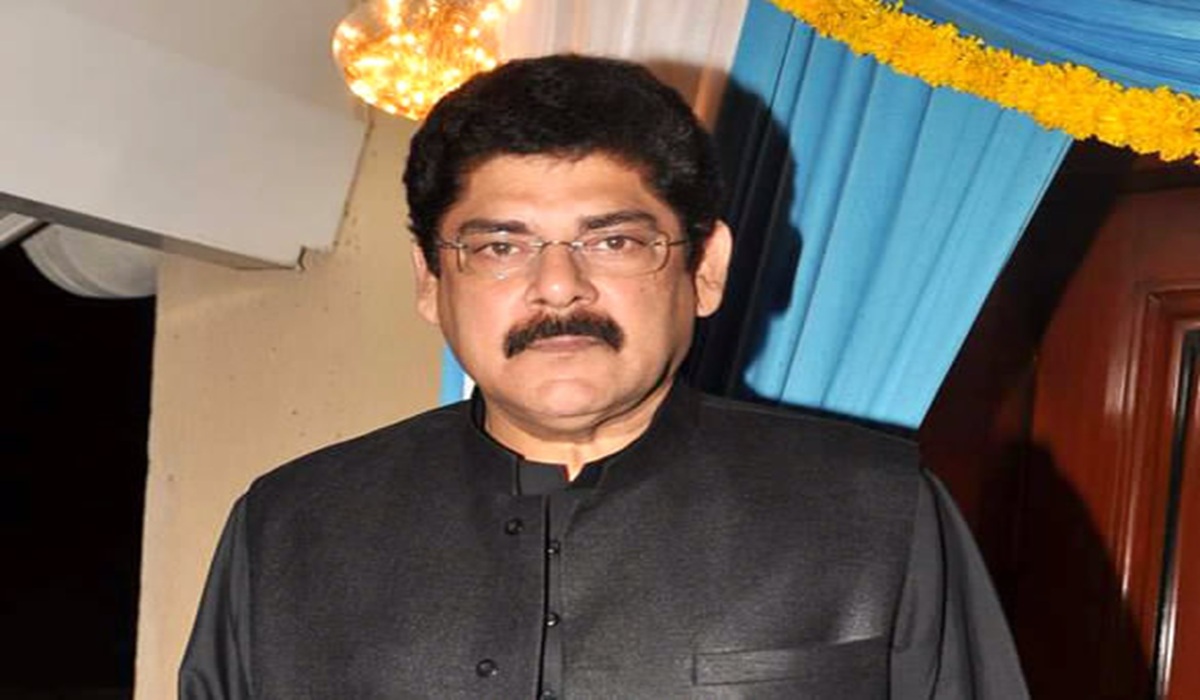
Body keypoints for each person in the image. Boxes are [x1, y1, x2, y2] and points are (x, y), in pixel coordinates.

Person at [180, 54, 1028, 699]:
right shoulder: (289, 528)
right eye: (500, 246)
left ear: (704, 268)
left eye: (614, 241)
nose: (558, 288)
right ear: (431, 282)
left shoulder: (873, 511)